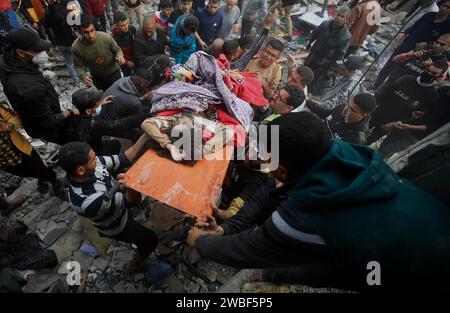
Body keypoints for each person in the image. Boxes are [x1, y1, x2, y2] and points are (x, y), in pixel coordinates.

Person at [186, 112, 450, 291]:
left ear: (282, 170)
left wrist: (200, 240)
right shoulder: (344, 156)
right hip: (418, 234)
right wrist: (224, 229)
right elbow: (264, 200)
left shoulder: (307, 218)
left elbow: (245, 250)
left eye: (266, 156)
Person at [59, 138, 160, 273]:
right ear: (81, 170)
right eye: (93, 159)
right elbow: (132, 202)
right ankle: (136, 264)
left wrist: (146, 135)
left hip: (116, 205)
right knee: (150, 240)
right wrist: (132, 184)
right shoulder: (88, 201)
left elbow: (123, 158)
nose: (97, 160)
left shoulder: (91, 166)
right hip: (118, 225)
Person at [0, 27, 76, 145]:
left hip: (33, 117)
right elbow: (48, 121)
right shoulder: (29, 88)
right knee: (71, 142)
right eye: (37, 50)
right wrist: (69, 112)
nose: (43, 54)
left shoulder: (6, 61)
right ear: (20, 53)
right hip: (50, 128)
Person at [374, 0, 450, 89]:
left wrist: (428, 44)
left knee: (402, 73)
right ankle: (376, 86)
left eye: (448, 8)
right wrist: (404, 32)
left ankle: (389, 90)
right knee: (389, 65)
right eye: (444, 6)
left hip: (421, 53)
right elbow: (415, 26)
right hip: (407, 44)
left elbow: (443, 42)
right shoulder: (429, 15)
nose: (444, 8)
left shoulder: (447, 25)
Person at [368, 60, 448, 144]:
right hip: (376, 113)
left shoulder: (432, 95)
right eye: (428, 70)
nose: (429, 74)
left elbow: (416, 115)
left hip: (390, 124)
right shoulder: (406, 79)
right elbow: (385, 93)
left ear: (440, 76)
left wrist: (398, 123)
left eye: (434, 73)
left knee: (368, 141)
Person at [0, 104, 64, 198]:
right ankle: (41, 177)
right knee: (21, 172)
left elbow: (16, 118)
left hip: (21, 149)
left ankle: (55, 182)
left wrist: (9, 125)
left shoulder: (1, 108)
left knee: (40, 167)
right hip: (4, 160)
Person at [98, 60, 170, 140]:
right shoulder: (134, 102)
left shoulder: (122, 80)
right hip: (108, 126)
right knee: (141, 129)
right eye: (147, 85)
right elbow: (134, 120)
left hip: (99, 116)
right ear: (143, 85)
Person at [66, 88, 151, 153]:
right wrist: (144, 116)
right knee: (116, 144)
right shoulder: (94, 124)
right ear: (88, 111)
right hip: (93, 151)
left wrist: (101, 104)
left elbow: (88, 113)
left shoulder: (72, 114)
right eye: (96, 104)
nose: (98, 103)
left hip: (81, 145)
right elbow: (118, 124)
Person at [305, 6, 352, 95]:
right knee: (304, 74)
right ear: (334, 15)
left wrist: (331, 71)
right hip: (313, 56)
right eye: (338, 15)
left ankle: (306, 96)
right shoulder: (325, 24)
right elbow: (315, 33)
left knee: (312, 84)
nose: (339, 18)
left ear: (346, 20)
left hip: (323, 65)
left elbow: (339, 56)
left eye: (342, 17)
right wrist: (309, 42)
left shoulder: (346, 36)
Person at [72, 14, 126, 91]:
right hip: (97, 77)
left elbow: (118, 50)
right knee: (105, 96)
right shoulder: (76, 47)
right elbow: (78, 66)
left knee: (119, 92)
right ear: (79, 32)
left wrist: (120, 56)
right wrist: (83, 76)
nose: (91, 35)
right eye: (86, 32)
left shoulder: (105, 37)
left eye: (92, 30)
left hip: (114, 73)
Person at [382, 33, 450, 88]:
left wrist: (432, 66)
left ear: (448, 47)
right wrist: (409, 55)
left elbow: (438, 83)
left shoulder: (442, 63)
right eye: (437, 42)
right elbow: (395, 60)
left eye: (442, 44)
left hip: (408, 89)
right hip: (391, 82)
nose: (437, 45)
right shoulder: (421, 50)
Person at [309, 93, 377, 145]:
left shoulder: (358, 139)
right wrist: (307, 101)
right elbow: (325, 113)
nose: (345, 110)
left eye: (352, 110)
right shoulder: (343, 107)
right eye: (348, 104)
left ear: (363, 115)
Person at [41, 0, 80, 83]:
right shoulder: (64, 6)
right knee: (79, 60)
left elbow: (46, 25)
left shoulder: (47, 11)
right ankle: (85, 77)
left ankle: (77, 81)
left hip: (59, 42)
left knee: (69, 63)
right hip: (71, 40)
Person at [112, 11, 137, 77]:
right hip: (124, 62)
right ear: (116, 25)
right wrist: (127, 62)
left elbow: (138, 43)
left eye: (127, 23)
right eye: (122, 25)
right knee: (127, 77)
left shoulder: (132, 29)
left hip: (135, 57)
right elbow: (115, 55)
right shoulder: (113, 38)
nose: (126, 27)